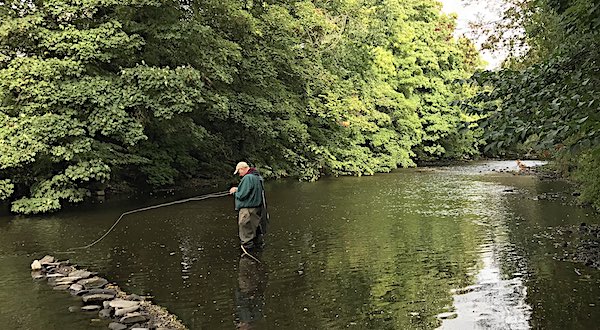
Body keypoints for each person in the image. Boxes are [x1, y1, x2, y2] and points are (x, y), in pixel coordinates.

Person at [229, 161, 268, 252]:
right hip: (257, 209)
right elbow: (250, 190)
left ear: (242, 169)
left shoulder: (247, 178)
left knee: (245, 228)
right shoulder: (257, 177)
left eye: (239, 172)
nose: (239, 174)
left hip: (248, 210)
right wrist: (238, 189)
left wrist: (235, 192)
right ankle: (257, 248)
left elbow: (242, 195)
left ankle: (247, 250)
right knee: (255, 228)